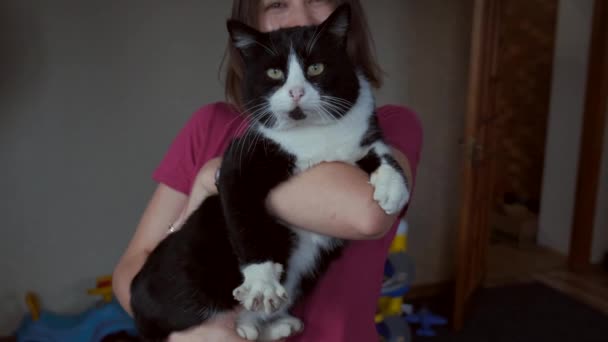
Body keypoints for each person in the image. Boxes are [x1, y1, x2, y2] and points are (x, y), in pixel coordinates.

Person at [112, 0, 423, 341]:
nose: (300, 17)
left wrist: (221, 177)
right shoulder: (209, 125)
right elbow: (133, 267)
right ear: (250, 22)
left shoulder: (392, 124)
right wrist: (185, 336)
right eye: (277, 4)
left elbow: (368, 212)